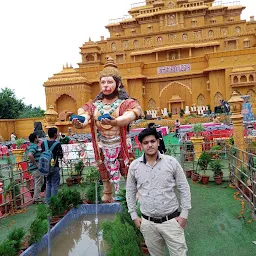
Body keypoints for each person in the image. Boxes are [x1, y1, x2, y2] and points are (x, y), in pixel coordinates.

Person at [72, 57, 142, 202]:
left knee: (127, 170)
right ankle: (107, 194)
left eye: (110, 82)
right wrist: (79, 122)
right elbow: (85, 115)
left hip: (121, 143)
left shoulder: (125, 103)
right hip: (103, 144)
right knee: (103, 170)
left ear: (118, 84)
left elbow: (133, 113)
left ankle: (134, 195)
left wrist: (116, 121)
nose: (106, 85)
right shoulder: (95, 105)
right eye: (103, 82)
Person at [126, 128, 191, 256]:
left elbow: (184, 187)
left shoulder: (171, 162)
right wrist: (134, 215)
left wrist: (184, 214)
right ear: (141, 145)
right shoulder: (134, 166)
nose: (150, 145)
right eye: (146, 142)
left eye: (152, 141)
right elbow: (130, 191)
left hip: (171, 221)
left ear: (158, 142)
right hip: (148, 224)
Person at [41, 127, 63, 203]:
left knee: (48, 183)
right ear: (55, 134)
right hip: (54, 166)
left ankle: (48, 202)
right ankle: (54, 202)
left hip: (45, 167)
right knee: (54, 184)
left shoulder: (43, 143)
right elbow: (60, 156)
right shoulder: (57, 144)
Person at [27, 132, 44, 203]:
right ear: (35, 139)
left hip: (34, 168)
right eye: (37, 137)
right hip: (36, 168)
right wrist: (36, 165)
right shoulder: (34, 146)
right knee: (38, 183)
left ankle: (36, 197)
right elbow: (30, 155)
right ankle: (36, 198)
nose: (38, 139)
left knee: (39, 182)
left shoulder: (31, 145)